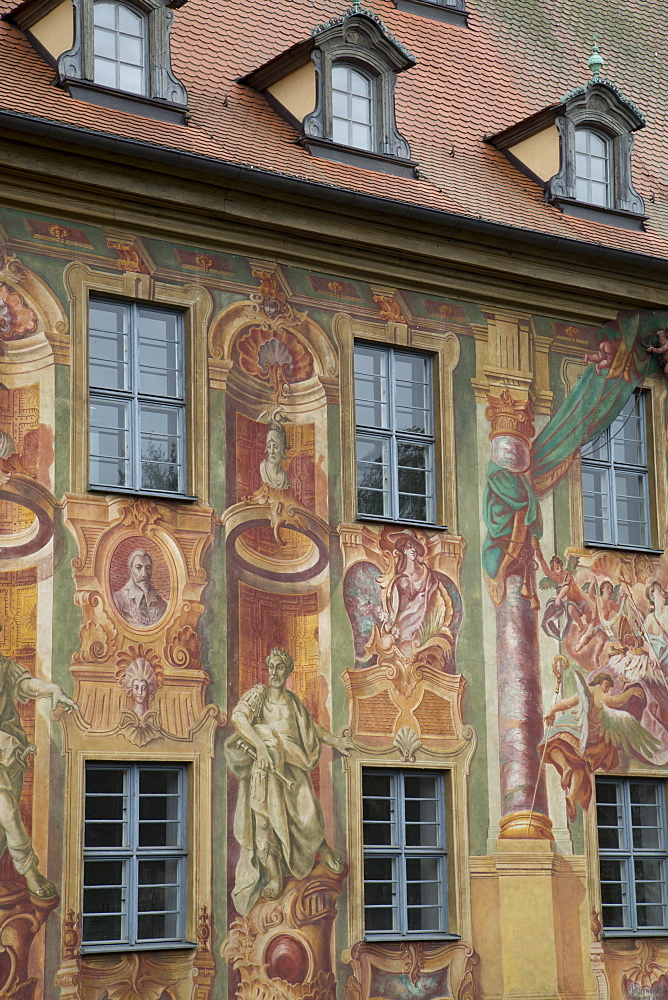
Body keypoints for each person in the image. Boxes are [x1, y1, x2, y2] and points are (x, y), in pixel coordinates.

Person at [225, 648, 353, 915]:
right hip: (266, 771)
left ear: (288, 671)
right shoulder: (258, 694)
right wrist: (260, 746)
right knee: (265, 825)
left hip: (293, 767)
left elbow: (311, 729)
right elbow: (238, 717)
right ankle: (273, 876)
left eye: (279, 667)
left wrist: (336, 741)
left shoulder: (293, 702)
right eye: (270, 666)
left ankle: (322, 847)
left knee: (309, 815)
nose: (273, 672)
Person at [0, 650, 77, 897]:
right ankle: (30, 871)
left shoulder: (3, 666)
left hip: (9, 752)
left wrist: (51, 689)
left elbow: (24, 684)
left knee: (4, 824)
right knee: (9, 813)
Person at [113, 548, 168, 627]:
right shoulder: (119, 600)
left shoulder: (162, 604)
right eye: (139, 567)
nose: (144, 574)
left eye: (148, 568)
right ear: (130, 571)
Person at [259, 419, 291, 490]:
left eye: (276, 447)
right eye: (269, 447)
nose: (271, 451)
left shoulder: (284, 477)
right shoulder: (263, 467)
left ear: (282, 449)